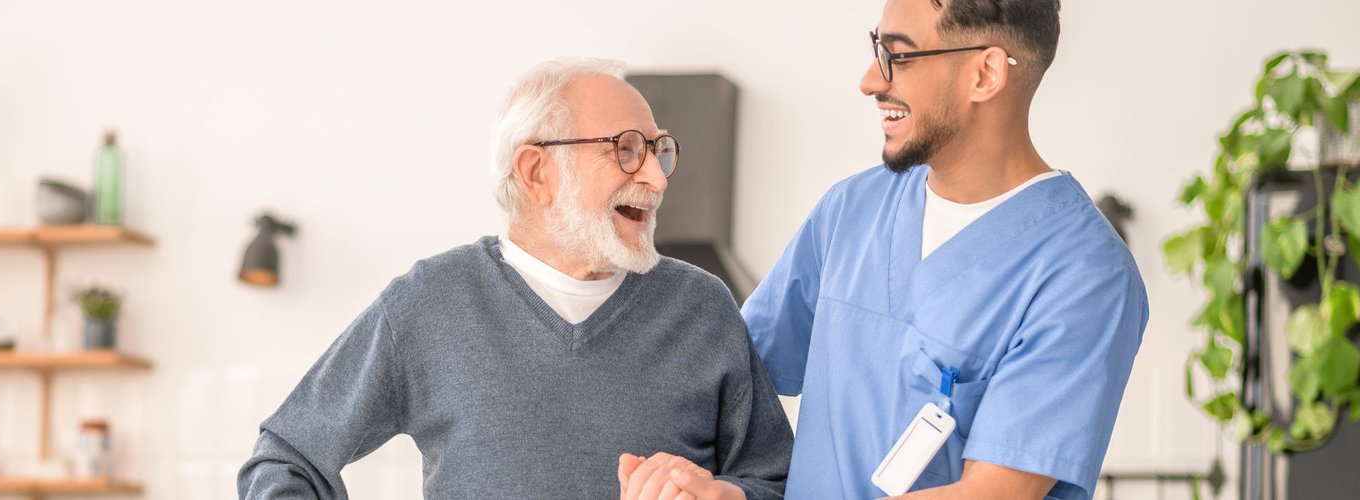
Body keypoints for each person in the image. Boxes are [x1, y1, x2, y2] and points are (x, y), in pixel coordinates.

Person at [237, 58, 792, 500]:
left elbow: (782, 482)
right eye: (625, 150)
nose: (654, 177)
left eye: (658, 151)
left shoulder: (702, 307)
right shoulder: (429, 303)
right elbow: (288, 456)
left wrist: (722, 496)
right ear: (536, 173)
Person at [740, 0, 1147, 499]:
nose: (870, 80)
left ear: (985, 74)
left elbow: (993, 493)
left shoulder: (1085, 275)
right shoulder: (850, 209)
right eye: (877, 50)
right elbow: (735, 376)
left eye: (899, 56)